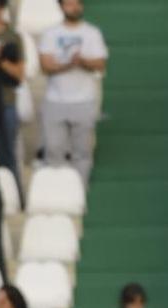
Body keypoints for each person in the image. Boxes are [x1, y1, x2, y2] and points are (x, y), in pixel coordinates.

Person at [35, 0, 105, 177]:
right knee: (53, 150)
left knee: (82, 153)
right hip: (55, 100)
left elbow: (100, 63)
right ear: (61, 7)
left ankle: (79, 192)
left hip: (84, 100)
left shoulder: (92, 33)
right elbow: (45, 66)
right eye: (69, 4)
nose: (74, 7)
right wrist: (69, 64)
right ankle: (56, 193)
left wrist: (81, 61)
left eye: (77, 3)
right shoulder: (51, 33)